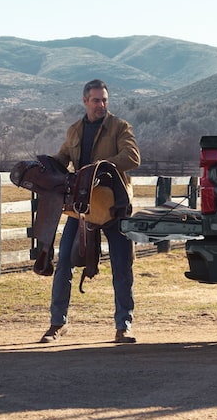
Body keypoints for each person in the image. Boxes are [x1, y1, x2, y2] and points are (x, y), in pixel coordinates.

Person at [39, 79, 142, 344]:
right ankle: (57, 323)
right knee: (64, 264)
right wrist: (44, 169)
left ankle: (124, 325)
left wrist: (101, 167)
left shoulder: (120, 127)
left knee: (122, 265)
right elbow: (62, 161)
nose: (101, 105)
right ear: (85, 101)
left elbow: (132, 156)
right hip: (82, 207)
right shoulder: (74, 131)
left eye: (104, 100)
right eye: (96, 100)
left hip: (113, 205)